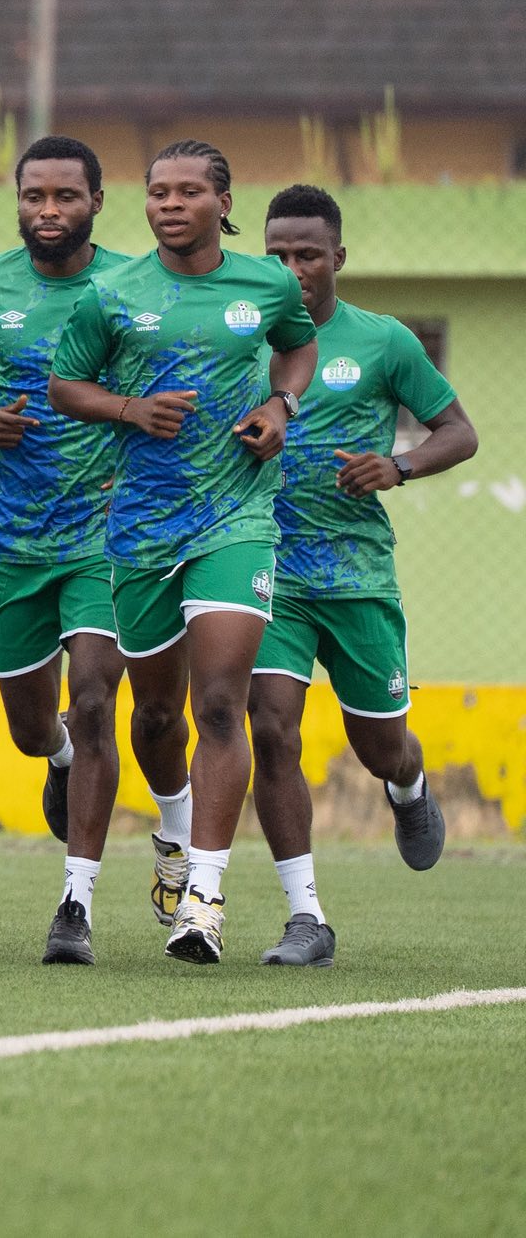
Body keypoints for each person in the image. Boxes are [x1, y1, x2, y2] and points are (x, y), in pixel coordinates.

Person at [50, 139, 318, 965]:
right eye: (158, 191)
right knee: (157, 715)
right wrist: (129, 410)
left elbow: (298, 346)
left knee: (221, 705)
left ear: (223, 202)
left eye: (189, 191)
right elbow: (65, 386)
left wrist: (281, 405)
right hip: (140, 528)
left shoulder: (267, 284)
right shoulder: (112, 294)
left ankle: (203, 899)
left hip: (237, 519)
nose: (171, 204)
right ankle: (171, 835)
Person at [250, 184, 475, 966]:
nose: (291, 268)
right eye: (276, 254)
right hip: (266, 568)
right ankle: (306, 917)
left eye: (307, 254)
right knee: (270, 730)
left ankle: (407, 786)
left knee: (380, 747)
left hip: (356, 575)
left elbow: (459, 432)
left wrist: (398, 465)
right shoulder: (241, 343)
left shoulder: (383, 342)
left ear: (337, 257)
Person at [0, 135, 134, 965]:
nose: (48, 211)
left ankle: (75, 903)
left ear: (96, 203)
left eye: (65, 196)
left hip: (108, 534)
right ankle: (56, 757)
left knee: (96, 699)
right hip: (12, 538)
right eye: (34, 196)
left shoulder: (131, 287)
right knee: (30, 726)